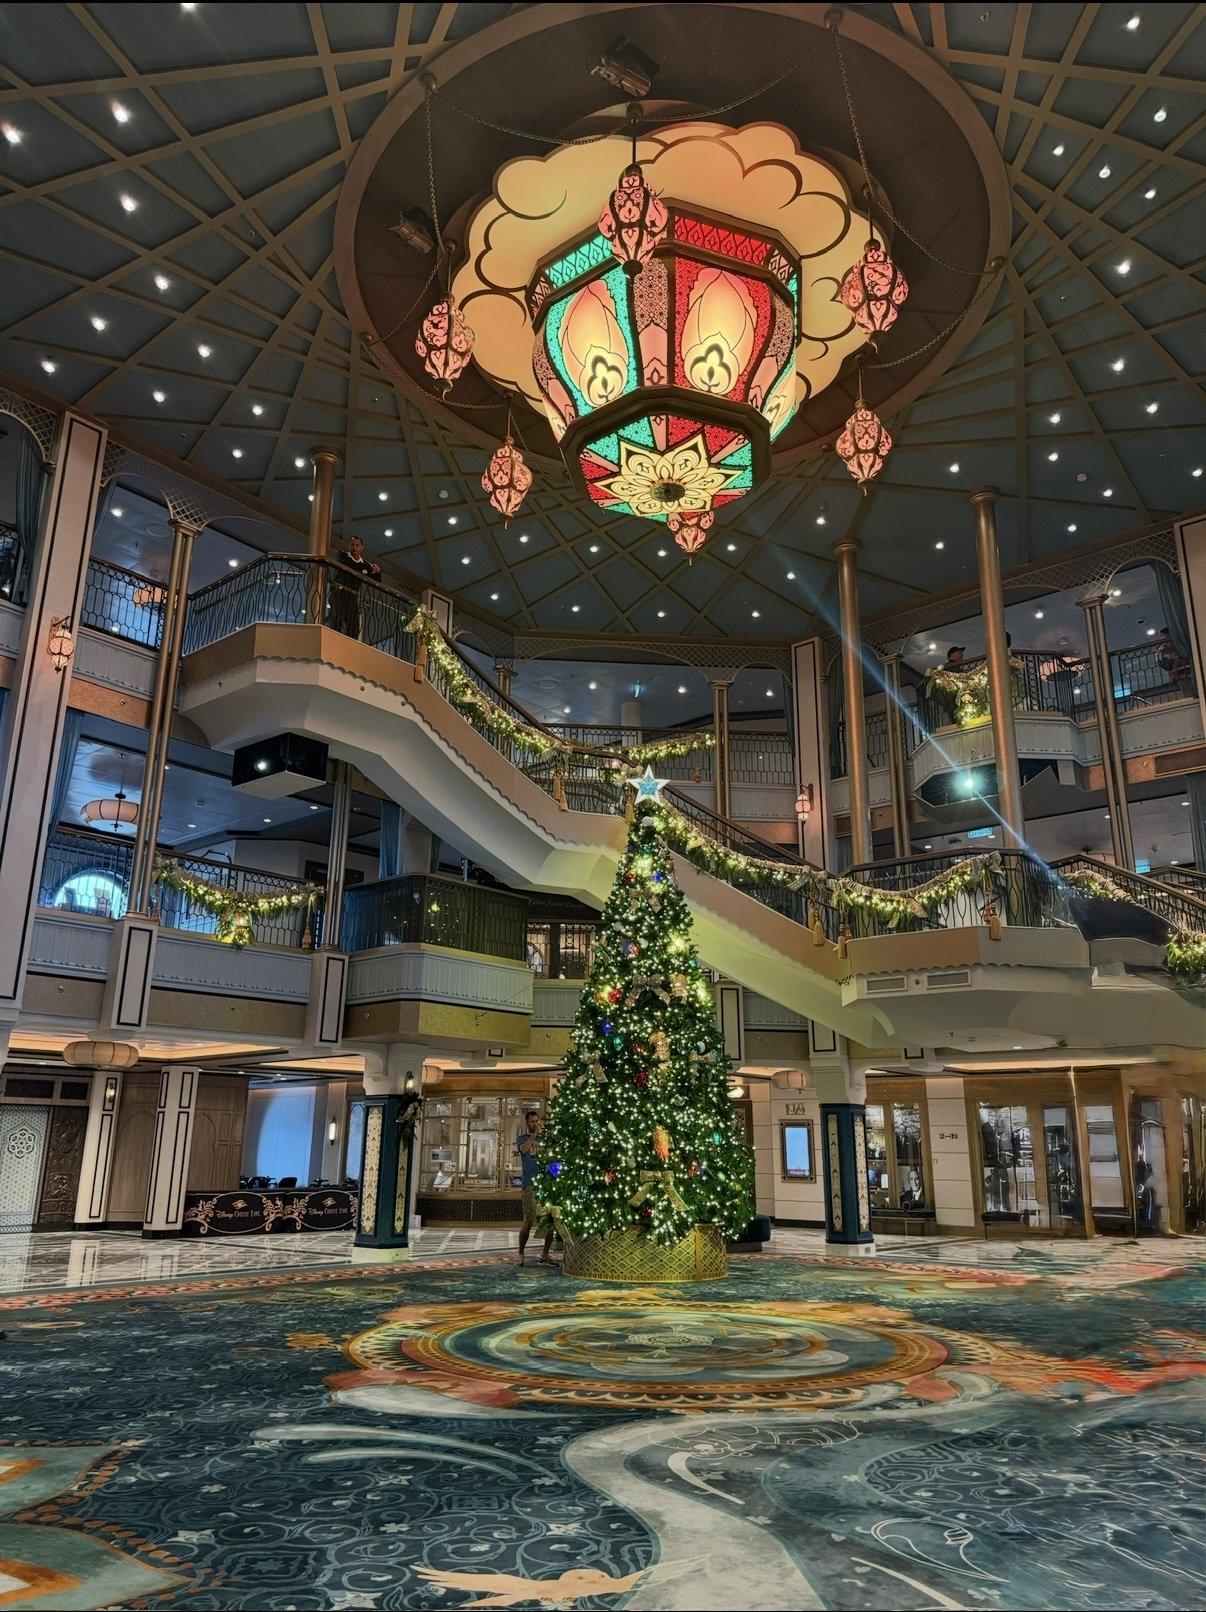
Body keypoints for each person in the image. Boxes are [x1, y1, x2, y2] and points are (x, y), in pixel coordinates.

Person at [516, 1108, 555, 1267]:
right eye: (532, 1122)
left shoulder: (546, 1140)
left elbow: (553, 1158)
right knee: (529, 1222)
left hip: (546, 1185)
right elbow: (524, 1150)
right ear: (527, 1123)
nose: (535, 1124)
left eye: (537, 1121)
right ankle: (520, 1253)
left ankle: (545, 1254)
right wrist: (534, 1136)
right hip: (530, 1185)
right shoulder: (522, 1138)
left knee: (549, 1221)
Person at [328, 534, 381, 640]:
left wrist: (377, 570)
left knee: (353, 626)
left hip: (352, 596)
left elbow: (377, 581)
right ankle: (332, 641)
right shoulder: (342, 555)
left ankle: (349, 644)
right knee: (336, 620)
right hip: (339, 592)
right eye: (352, 545)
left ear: (362, 547)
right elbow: (348, 565)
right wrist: (367, 568)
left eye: (357, 545)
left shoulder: (365, 564)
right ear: (349, 545)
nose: (354, 547)